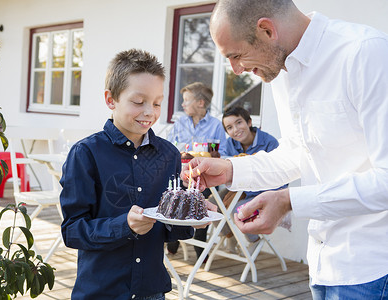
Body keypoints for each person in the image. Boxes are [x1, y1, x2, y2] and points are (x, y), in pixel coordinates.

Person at [182, 0, 388, 299]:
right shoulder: (278, 69)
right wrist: (230, 169)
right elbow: (296, 155)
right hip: (322, 264)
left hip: (373, 267)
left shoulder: (365, 53)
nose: (236, 70)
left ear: (267, 30)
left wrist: (290, 200)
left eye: (236, 56)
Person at [59, 49, 194, 300]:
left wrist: (192, 212)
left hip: (151, 292)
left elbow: (169, 229)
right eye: (138, 101)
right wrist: (125, 225)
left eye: (156, 103)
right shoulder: (85, 154)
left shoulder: (169, 155)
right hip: (101, 292)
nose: (149, 112)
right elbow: (73, 230)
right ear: (111, 100)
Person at [208, 105, 288, 254]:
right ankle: (229, 235)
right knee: (212, 202)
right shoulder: (230, 144)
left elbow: (280, 175)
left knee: (239, 210)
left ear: (249, 122)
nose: (236, 129)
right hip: (242, 188)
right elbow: (228, 165)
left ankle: (254, 240)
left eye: (239, 123)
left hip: (266, 190)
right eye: (229, 127)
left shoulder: (269, 142)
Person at [166, 82, 227, 259]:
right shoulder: (179, 123)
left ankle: (200, 240)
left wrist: (212, 154)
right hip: (182, 173)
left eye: (186, 100)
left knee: (201, 199)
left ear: (200, 103)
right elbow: (170, 147)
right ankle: (173, 237)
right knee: (176, 196)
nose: (183, 104)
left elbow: (223, 153)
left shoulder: (216, 125)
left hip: (204, 177)